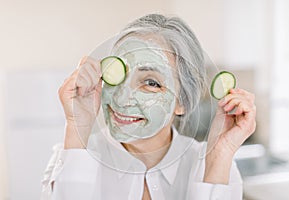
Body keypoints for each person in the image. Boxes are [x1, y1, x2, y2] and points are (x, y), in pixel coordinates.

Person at [41, 14, 256, 200]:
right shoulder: (72, 157)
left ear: (182, 101)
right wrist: (77, 127)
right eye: (118, 75)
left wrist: (218, 157)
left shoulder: (212, 166)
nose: (122, 98)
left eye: (151, 82)